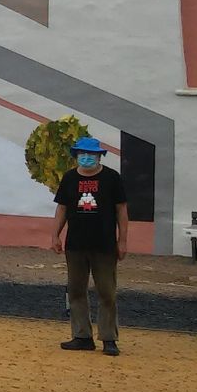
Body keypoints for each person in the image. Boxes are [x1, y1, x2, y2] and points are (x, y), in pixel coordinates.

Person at [51, 137, 128, 357]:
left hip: (104, 245)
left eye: (91, 154)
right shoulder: (69, 178)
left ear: (99, 156)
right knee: (76, 290)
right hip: (76, 244)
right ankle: (82, 336)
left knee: (107, 292)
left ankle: (109, 338)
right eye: (82, 154)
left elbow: (121, 210)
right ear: (76, 155)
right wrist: (55, 235)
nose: (86, 158)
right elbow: (62, 208)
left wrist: (122, 240)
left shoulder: (112, 178)